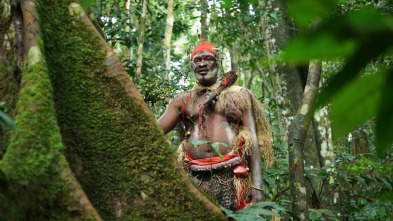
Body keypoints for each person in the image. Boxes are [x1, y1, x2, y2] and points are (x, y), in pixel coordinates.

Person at [157, 41, 274, 211]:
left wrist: (256, 185)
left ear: (217, 63)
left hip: (231, 176)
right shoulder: (182, 99)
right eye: (197, 61)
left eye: (208, 59)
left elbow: (252, 140)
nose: (202, 64)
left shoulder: (238, 95)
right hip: (194, 177)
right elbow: (155, 130)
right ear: (193, 66)